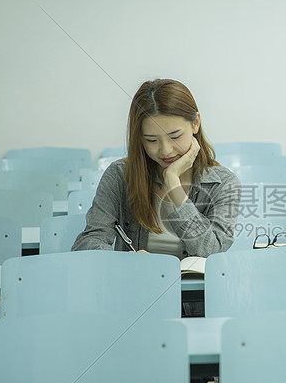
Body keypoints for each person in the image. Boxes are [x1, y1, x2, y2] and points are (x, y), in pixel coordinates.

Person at [72, 78, 240, 266]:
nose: (166, 150)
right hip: (134, 286)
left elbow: (211, 251)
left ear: (195, 123)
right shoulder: (119, 176)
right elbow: (87, 243)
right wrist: (124, 259)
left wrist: (174, 185)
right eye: (152, 140)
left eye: (175, 136)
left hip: (196, 293)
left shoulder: (224, 183)